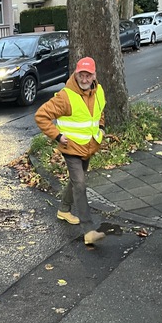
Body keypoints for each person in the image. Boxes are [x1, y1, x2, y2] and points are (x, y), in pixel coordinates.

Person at [35, 56, 106, 245]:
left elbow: (100, 112)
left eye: (88, 75)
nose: (84, 79)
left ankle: (64, 210)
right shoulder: (66, 96)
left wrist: (101, 127)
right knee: (80, 184)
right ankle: (88, 229)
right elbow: (41, 115)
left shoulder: (98, 91)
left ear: (94, 75)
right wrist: (57, 136)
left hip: (89, 146)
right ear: (76, 74)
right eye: (81, 74)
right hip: (71, 148)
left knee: (76, 181)